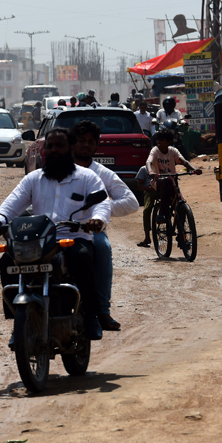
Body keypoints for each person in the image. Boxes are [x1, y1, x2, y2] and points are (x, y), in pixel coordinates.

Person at [0, 127, 110, 341]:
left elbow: (102, 204)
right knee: (7, 260)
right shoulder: (34, 179)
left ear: (70, 148)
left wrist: (96, 220)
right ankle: (18, 320)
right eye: (49, 146)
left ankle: (91, 316)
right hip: (40, 241)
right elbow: (12, 204)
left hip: (73, 238)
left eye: (59, 146)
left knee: (82, 258)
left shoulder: (87, 178)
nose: (53, 150)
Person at [71, 120, 138, 332]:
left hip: (91, 232)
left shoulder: (103, 173)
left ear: (96, 147)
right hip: (58, 229)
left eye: (91, 142)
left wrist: (100, 212)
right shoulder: (56, 170)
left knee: (102, 248)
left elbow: (131, 202)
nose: (86, 145)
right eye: (81, 141)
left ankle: (102, 311)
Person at [146, 129, 201, 252]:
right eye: (158, 140)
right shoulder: (155, 151)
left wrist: (194, 169)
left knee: (181, 204)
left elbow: (184, 161)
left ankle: (182, 239)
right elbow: (149, 162)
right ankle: (161, 214)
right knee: (167, 182)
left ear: (169, 142)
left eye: (162, 140)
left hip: (172, 182)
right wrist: (151, 172)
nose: (159, 142)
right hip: (159, 181)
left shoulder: (173, 151)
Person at [134, 164, 156, 248]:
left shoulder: (163, 166)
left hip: (162, 189)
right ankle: (147, 237)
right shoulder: (143, 169)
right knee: (147, 210)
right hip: (150, 191)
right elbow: (139, 186)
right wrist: (149, 188)